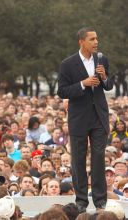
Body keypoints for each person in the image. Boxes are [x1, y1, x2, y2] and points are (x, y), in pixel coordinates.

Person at [57, 27, 113, 213]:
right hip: (79, 118)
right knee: (78, 160)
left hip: (99, 117)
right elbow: (62, 91)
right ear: (81, 41)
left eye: (97, 38)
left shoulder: (101, 59)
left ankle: (100, 202)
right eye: (92, 39)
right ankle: (81, 200)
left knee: (98, 158)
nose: (96, 42)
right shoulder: (67, 64)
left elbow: (108, 85)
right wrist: (83, 84)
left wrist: (104, 77)